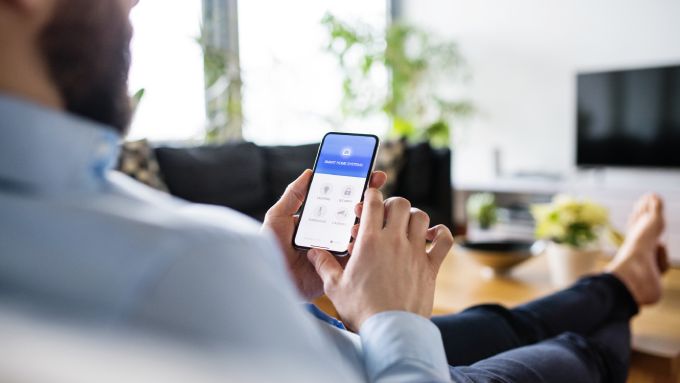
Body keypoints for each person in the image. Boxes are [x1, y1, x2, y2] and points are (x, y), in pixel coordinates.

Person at [0, 0, 669, 382]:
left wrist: (271, 284)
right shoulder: (181, 267)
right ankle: (623, 290)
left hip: (331, 342)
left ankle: (622, 276)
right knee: (579, 351)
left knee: (505, 321)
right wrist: (393, 319)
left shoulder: (61, 206)